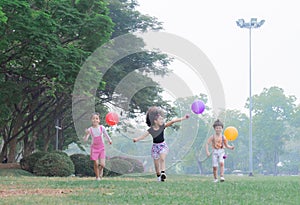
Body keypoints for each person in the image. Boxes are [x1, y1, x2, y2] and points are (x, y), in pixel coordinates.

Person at [133, 107, 189, 182]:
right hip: (155, 147)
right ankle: (159, 176)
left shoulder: (162, 127)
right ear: (155, 121)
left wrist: (184, 118)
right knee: (156, 165)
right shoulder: (151, 130)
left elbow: (172, 121)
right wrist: (137, 139)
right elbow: (143, 136)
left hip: (162, 145)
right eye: (160, 119)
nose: (162, 121)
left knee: (162, 158)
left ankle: (163, 172)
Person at [84, 112, 112, 180]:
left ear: (99, 120)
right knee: (96, 163)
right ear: (91, 120)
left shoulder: (102, 128)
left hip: (101, 148)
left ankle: (100, 170)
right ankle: (97, 177)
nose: (95, 120)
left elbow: (106, 135)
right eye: (93, 118)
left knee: (102, 164)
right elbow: (85, 139)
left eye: (97, 118)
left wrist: (109, 140)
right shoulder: (90, 129)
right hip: (94, 148)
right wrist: (86, 134)